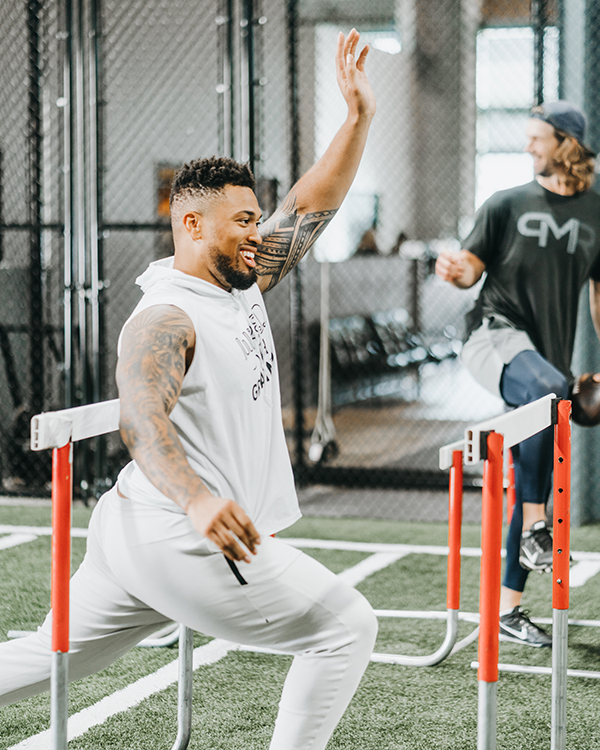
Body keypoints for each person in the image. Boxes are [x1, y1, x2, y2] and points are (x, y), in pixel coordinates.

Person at [0, 30, 378, 749]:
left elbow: (311, 203)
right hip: (184, 538)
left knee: (46, 660)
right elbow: (142, 419)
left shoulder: (240, 281)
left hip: (132, 533)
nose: (256, 234)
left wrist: (357, 119)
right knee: (347, 628)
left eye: (255, 219)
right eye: (241, 222)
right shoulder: (167, 316)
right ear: (190, 223)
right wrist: (200, 499)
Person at [436, 101, 600, 647]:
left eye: (537, 138)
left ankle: (508, 609)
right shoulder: (505, 203)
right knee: (550, 406)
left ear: (566, 143)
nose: (527, 146)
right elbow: (468, 271)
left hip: (546, 362)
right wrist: (457, 272)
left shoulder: (597, 212)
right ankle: (537, 528)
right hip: (493, 336)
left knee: (538, 443)